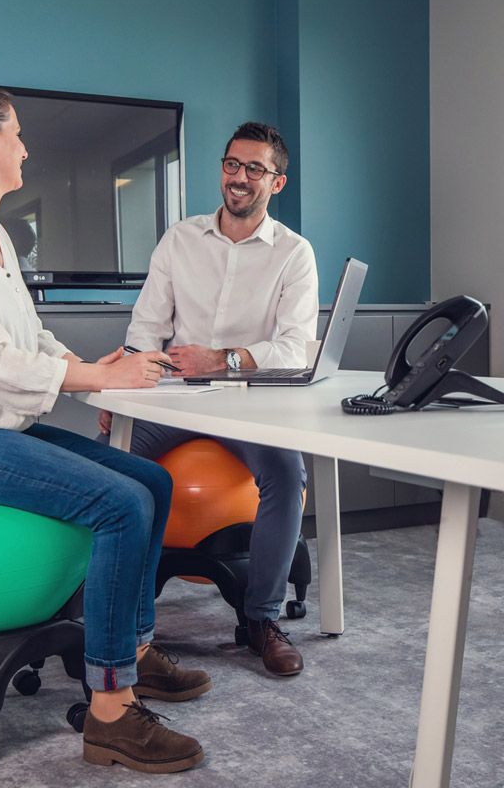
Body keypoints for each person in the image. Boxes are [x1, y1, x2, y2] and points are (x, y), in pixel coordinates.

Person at [0, 81, 210, 773]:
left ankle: (134, 651)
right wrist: (96, 381)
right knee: (120, 505)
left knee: (150, 479)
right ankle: (111, 712)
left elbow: (26, 335)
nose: (27, 147)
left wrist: (88, 363)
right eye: (19, 133)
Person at [99, 121, 318, 677]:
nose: (238, 178)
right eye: (231, 165)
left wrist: (225, 359)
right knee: (106, 466)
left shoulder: (294, 253)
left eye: (254, 169)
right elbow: (146, 326)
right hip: (170, 396)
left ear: (278, 182)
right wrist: (124, 383)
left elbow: (296, 347)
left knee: (286, 476)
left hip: (247, 403)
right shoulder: (180, 239)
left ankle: (261, 619)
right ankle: (110, 615)